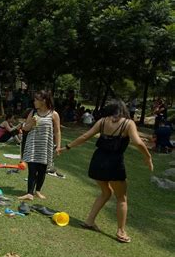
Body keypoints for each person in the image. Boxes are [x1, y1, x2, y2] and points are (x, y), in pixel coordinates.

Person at [58, 100, 153, 243]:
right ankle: (121, 231)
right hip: (114, 164)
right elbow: (137, 142)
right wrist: (148, 157)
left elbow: (85, 136)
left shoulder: (102, 121)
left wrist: (67, 147)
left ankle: (89, 221)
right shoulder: (128, 123)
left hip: (98, 161)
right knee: (121, 198)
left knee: (106, 192)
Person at [18, 90, 61, 201]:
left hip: (45, 146)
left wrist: (58, 146)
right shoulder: (33, 113)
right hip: (32, 145)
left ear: (44, 101)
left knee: (42, 170)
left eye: (37, 99)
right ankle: (29, 193)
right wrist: (31, 123)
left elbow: (57, 131)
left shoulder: (53, 114)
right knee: (32, 169)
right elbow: (25, 128)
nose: (34, 101)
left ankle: (38, 191)